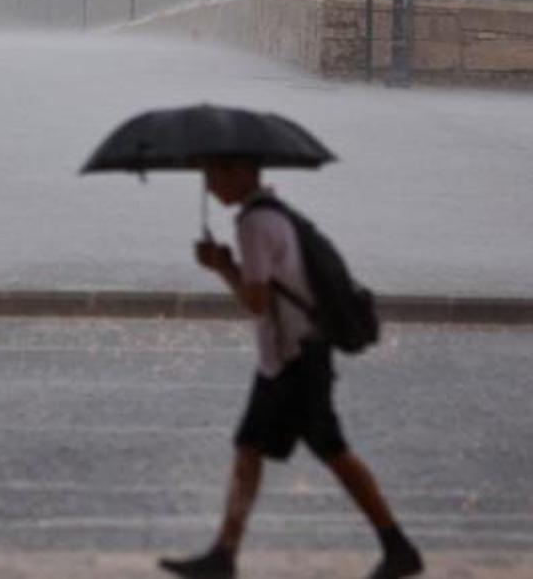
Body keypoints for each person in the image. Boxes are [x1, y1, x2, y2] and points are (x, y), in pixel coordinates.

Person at [158, 157, 423, 579]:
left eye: (214, 175)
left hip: (294, 363)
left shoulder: (253, 225)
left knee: (333, 451)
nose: (209, 187)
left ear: (240, 172)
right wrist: (228, 265)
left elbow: (257, 303)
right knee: (250, 447)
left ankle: (397, 546)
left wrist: (223, 267)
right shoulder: (275, 214)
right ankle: (224, 554)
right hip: (286, 361)